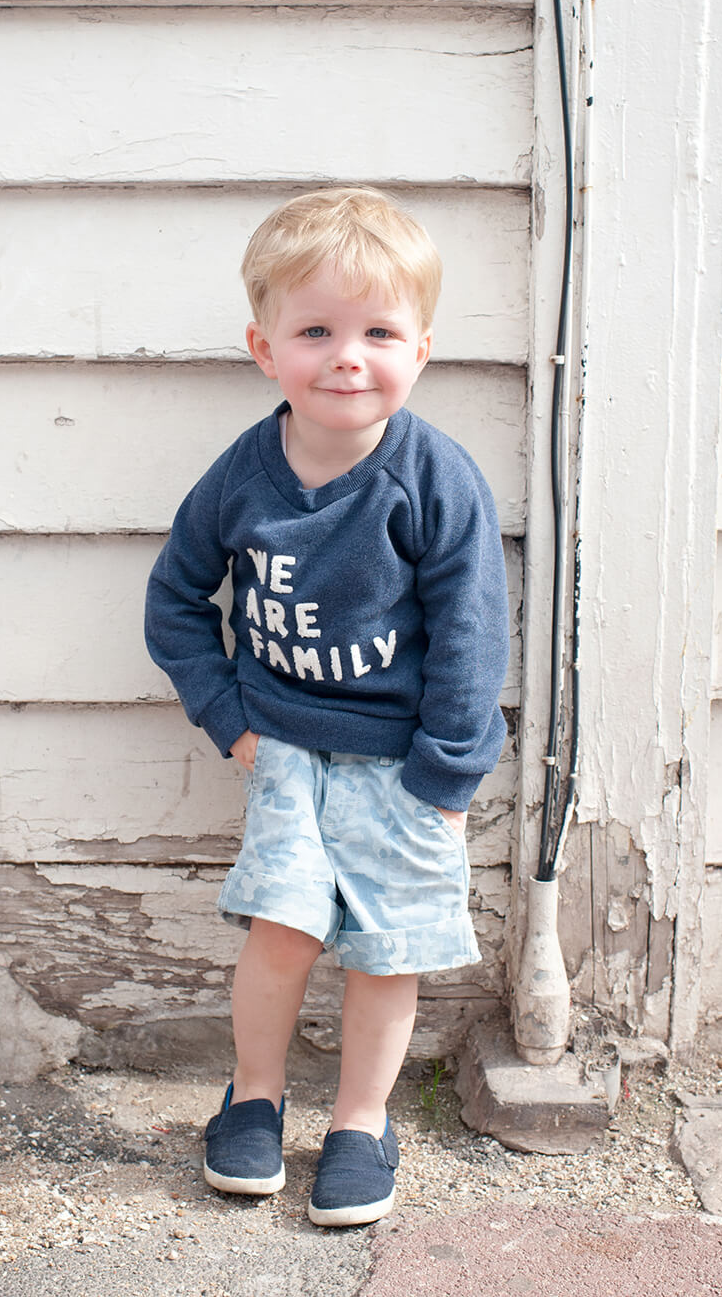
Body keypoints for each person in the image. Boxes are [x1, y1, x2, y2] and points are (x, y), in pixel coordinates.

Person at [144, 187, 510, 1227]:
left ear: (422, 347)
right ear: (265, 348)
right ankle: (252, 1101)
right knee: (284, 932)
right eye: (317, 332)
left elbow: (473, 634)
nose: (348, 357)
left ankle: (359, 1121)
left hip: (404, 761)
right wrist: (233, 722)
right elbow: (176, 600)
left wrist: (447, 774)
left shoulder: (433, 480)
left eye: (378, 332)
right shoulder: (243, 478)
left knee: (386, 946)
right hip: (288, 752)